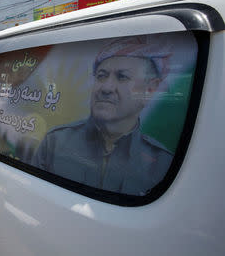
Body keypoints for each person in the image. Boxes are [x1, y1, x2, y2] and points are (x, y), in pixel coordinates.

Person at [33, 36, 173, 196]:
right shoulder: (55, 142)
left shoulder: (162, 163)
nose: (106, 88)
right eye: (101, 76)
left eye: (122, 77)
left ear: (150, 89)